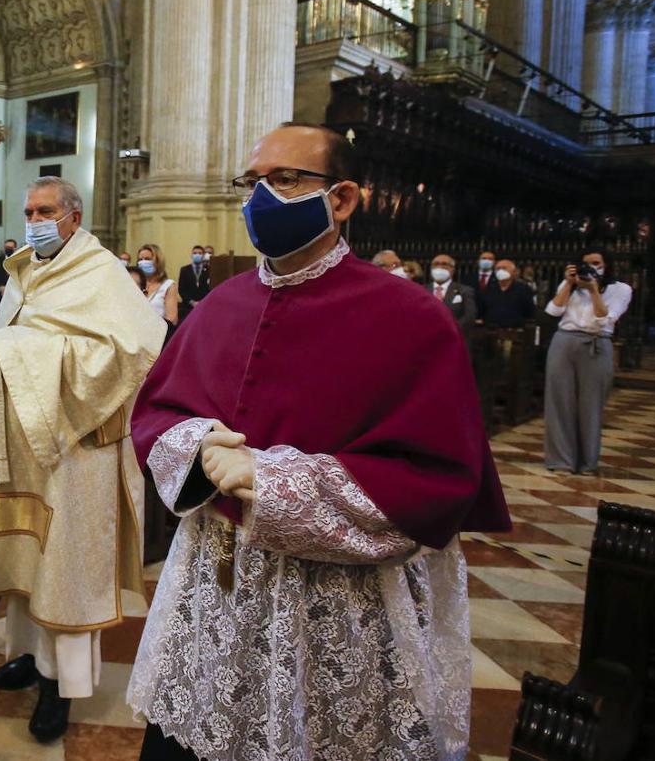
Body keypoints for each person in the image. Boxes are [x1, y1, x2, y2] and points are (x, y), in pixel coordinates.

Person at [127, 123, 510, 761]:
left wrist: (267, 480)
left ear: (342, 200)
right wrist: (197, 444)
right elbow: (158, 412)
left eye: (283, 180)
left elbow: (433, 478)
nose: (260, 199)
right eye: (252, 183)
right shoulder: (221, 304)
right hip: (211, 598)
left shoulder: (410, 319)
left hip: (330, 606)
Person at [0, 176, 164, 743]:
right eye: (28, 210)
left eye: (45, 210)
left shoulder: (100, 274)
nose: (33, 219)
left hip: (79, 449)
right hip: (29, 442)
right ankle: (28, 654)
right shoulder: (26, 272)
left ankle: (60, 685)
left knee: (65, 570)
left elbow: (138, 350)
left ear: (73, 217)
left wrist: (29, 352)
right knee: (28, 559)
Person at [544, 251, 633, 475]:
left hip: (596, 343)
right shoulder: (571, 284)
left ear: (606, 266)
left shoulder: (620, 289)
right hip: (564, 341)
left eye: (596, 264)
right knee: (559, 402)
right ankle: (561, 460)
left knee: (591, 404)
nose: (591, 268)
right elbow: (553, 310)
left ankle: (587, 463)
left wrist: (594, 290)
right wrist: (568, 284)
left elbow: (606, 317)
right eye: (585, 264)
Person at [478, 258, 535, 328]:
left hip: (515, 331)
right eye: (498, 268)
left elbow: (529, 311)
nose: (500, 271)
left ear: (514, 272)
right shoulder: (488, 289)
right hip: (491, 330)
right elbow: (482, 310)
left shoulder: (523, 289)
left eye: (504, 268)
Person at [428, 253, 476, 333]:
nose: (440, 267)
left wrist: (449, 330)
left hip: (453, 336)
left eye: (444, 264)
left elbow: (469, 316)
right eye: (436, 264)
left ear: (452, 269)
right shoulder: (421, 289)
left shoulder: (465, 290)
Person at [138, 243, 178, 324]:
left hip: (158, 333)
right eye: (140, 259)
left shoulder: (168, 285)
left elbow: (172, 319)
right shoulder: (135, 284)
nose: (143, 262)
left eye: (147, 259)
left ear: (158, 261)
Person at [176, 244, 212, 318]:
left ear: (203, 255)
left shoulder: (209, 270)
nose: (197, 255)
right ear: (191, 255)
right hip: (187, 307)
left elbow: (210, 289)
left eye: (199, 253)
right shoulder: (184, 270)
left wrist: (202, 302)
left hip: (204, 306)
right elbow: (181, 289)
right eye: (195, 253)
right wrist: (192, 302)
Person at [0, 238, 17, 307]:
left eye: (10, 247)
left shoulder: (18, 261)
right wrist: (0, 287)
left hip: (14, 295)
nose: (8, 249)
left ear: (15, 248)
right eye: (7, 247)